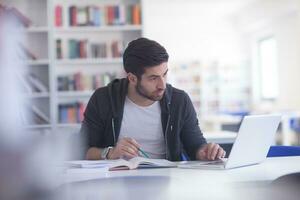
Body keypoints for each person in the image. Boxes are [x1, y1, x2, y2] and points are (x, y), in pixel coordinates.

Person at [81, 37, 225, 161]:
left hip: (166, 180)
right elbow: (84, 150)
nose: (162, 85)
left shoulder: (179, 101)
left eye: (164, 74)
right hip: (115, 179)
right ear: (132, 78)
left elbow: (195, 145)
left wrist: (204, 152)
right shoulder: (104, 99)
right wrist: (110, 152)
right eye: (153, 78)